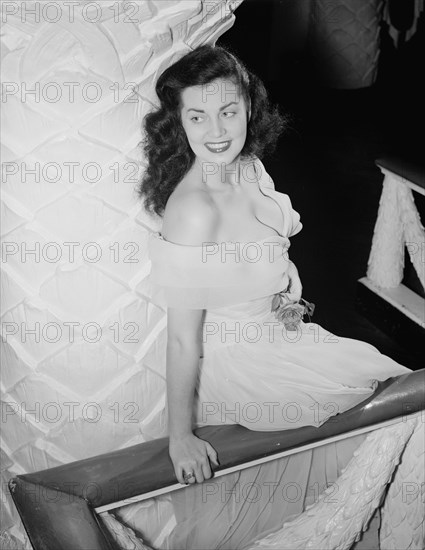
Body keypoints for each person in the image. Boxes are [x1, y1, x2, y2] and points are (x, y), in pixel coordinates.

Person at [132, 44, 412, 549]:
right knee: (391, 414)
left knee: (399, 402)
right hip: (238, 363)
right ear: (179, 123)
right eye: (197, 116)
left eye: (228, 112)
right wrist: (180, 435)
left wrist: (284, 302)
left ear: (248, 109)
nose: (216, 132)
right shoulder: (193, 210)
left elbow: (268, 259)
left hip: (281, 338)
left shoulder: (250, 168)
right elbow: (180, 339)